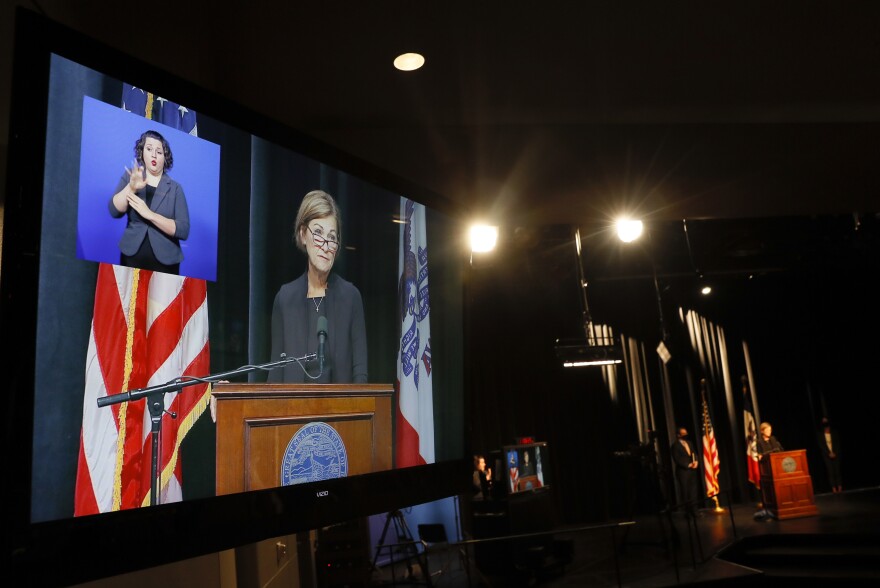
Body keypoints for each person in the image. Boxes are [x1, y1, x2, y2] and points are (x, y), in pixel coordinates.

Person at [268, 190, 367, 383]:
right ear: (303, 235)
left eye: (332, 237)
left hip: (339, 411)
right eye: (318, 233)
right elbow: (274, 373)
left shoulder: (350, 297)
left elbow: (360, 374)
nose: (325, 245)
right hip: (293, 412)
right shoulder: (285, 298)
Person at [109, 129, 190, 274]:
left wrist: (150, 214)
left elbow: (183, 230)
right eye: (149, 149)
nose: (154, 154)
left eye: (159, 152)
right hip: (131, 258)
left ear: (165, 158)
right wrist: (131, 187)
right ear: (142, 152)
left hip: (166, 264)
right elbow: (114, 211)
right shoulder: (131, 178)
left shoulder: (176, 188)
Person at [670, 426, 700, 515]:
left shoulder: (689, 443)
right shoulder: (675, 446)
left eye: (686, 433)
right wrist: (688, 464)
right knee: (685, 492)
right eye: (683, 434)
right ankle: (688, 512)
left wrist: (696, 461)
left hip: (692, 471)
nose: (685, 435)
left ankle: (695, 511)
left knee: (693, 491)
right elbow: (677, 459)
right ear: (678, 435)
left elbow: (694, 453)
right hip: (683, 472)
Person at [817, 417, 843, 493]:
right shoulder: (820, 434)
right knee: (830, 471)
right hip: (827, 456)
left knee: (837, 471)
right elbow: (821, 445)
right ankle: (833, 488)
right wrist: (829, 453)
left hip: (836, 454)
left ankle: (840, 487)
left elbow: (838, 444)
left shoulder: (834, 432)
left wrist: (835, 453)